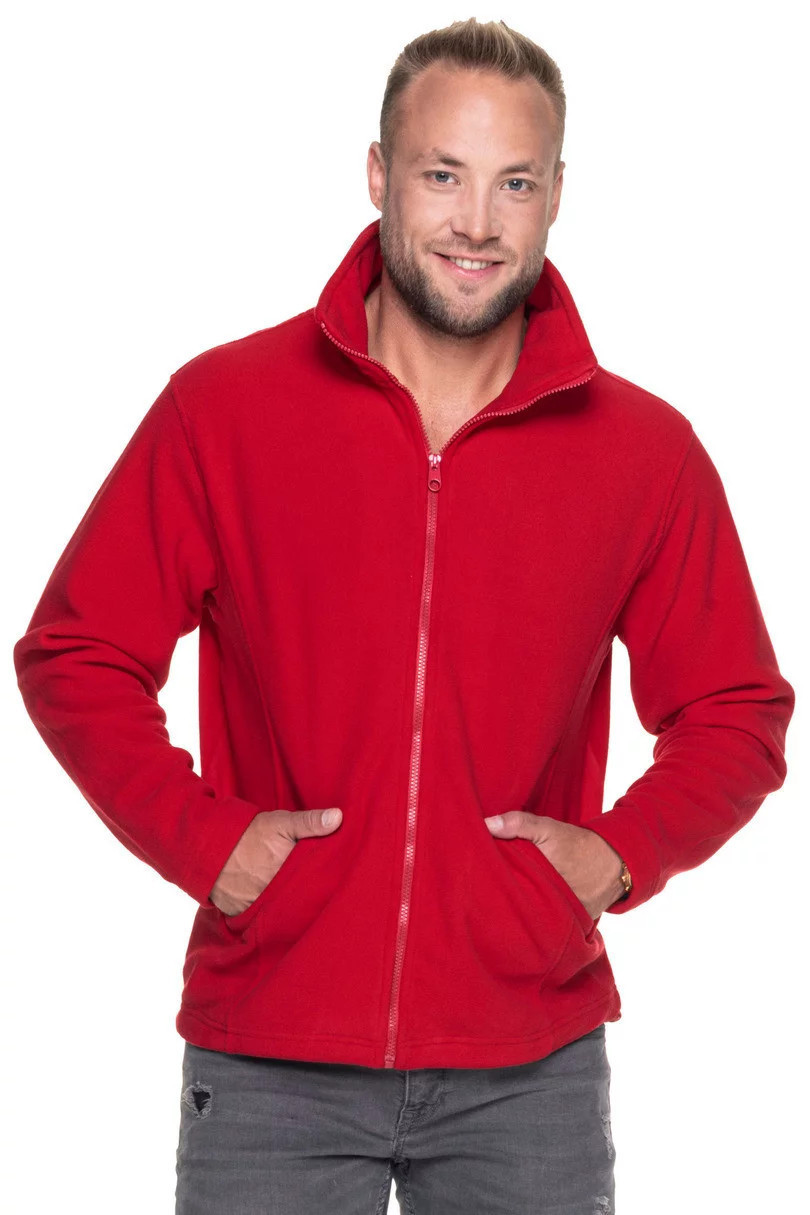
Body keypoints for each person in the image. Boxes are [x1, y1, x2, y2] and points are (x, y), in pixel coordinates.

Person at [13, 18, 794, 1215]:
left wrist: (618, 856)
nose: (477, 221)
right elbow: (76, 652)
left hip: (526, 1062)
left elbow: (735, 709)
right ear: (378, 175)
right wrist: (206, 842)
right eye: (442, 174)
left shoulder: (645, 452)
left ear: (557, 196)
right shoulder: (225, 410)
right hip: (272, 1051)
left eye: (514, 183)